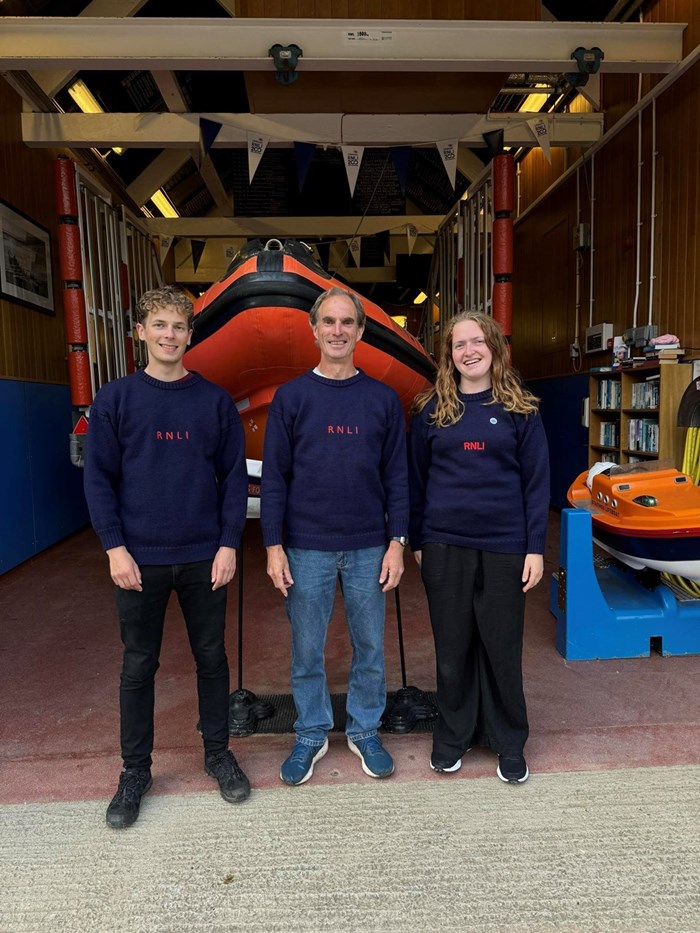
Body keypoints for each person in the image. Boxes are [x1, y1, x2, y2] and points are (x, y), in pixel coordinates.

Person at [84, 285, 251, 828]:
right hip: (138, 559)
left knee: (212, 659)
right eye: (159, 325)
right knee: (139, 665)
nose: (169, 336)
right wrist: (114, 547)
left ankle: (218, 754)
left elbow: (233, 481)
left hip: (205, 555)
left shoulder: (214, 401)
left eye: (179, 327)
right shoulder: (114, 400)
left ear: (190, 334)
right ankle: (135, 771)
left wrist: (229, 543)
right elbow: (99, 479)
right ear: (141, 333)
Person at [261, 286, 409, 786]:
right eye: (329, 322)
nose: (338, 331)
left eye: (348, 322)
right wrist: (273, 545)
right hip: (306, 547)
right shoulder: (292, 398)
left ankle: (366, 728)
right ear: (314, 329)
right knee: (307, 647)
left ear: (361, 331)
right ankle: (311, 731)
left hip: (370, 545)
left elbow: (398, 478)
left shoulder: (382, 399)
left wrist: (398, 542)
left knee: (370, 645)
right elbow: (275, 477)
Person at [408, 310, 550, 784]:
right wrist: (420, 541)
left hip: (506, 545)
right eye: (458, 345)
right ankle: (453, 737)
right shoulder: (431, 409)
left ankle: (509, 741)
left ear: (494, 347)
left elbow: (536, 483)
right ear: (448, 355)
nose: (468, 351)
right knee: (452, 648)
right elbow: (416, 480)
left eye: (476, 342)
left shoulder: (521, 408)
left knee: (501, 647)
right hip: (445, 543)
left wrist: (535, 547)